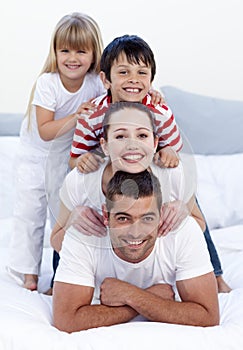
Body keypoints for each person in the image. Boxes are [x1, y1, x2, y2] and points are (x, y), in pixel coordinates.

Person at [68, 34, 231, 293]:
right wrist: (84, 160)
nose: (133, 79)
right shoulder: (93, 115)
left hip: (152, 176)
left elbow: (175, 149)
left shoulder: (159, 111)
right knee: (77, 215)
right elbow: (75, 158)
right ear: (105, 80)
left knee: (189, 204)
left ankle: (216, 274)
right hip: (112, 175)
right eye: (123, 72)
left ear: (151, 80)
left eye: (142, 73)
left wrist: (167, 151)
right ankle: (60, 277)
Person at [50, 102, 205, 296]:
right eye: (120, 136)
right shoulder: (80, 181)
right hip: (104, 293)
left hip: (162, 290)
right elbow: (56, 242)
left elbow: (199, 226)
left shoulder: (173, 174)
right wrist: (72, 221)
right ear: (104, 145)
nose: (133, 144)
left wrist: (184, 214)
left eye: (142, 135)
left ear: (155, 143)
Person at [7, 12, 106, 291]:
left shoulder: (95, 82)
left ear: (93, 54)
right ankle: (28, 274)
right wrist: (77, 115)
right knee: (30, 212)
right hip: (35, 156)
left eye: (81, 51)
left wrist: (154, 95)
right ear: (55, 52)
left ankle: (62, 275)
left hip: (65, 157)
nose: (72, 58)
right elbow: (46, 130)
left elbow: (123, 93)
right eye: (65, 50)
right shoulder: (48, 83)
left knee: (61, 213)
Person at [52, 169, 219, 332]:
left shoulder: (183, 230)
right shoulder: (83, 233)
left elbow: (208, 316)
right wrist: (147, 299)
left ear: (161, 215)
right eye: (123, 218)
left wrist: (130, 295)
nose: (135, 232)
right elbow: (66, 320)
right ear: (105, 215)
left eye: (147, 218)